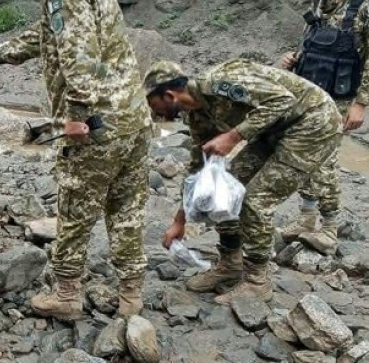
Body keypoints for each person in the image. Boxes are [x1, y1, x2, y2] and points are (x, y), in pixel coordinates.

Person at [0, 0, 153, 320]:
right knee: (127, 208)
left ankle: (67, 294)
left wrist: (77, 116)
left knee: (74, 206)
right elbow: (49, 34)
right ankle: (130, 298)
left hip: (97, 123)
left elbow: (78, 56)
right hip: (132, 117)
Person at [145, 59, 342, 304]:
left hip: (313, 123)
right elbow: (199, 170)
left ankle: (257, 282)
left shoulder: (222, 80)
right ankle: (230, 262)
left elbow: (284, 100)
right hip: (273, 130)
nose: (155, 114)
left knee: (254, 201)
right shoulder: (198, 118)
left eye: (155, 106)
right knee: (224, 189)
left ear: (169, 95)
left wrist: (234, 135)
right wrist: (179, 221)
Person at [278, 0, 369, 256]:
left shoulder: (364, 6)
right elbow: (311, 41)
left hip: (341, 97)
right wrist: (292, 57)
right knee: (303, 157)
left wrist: (361, 104)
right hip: (309, 91)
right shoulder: (322, 0)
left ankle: (329, 228)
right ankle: (306, 219)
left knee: (326, 161)